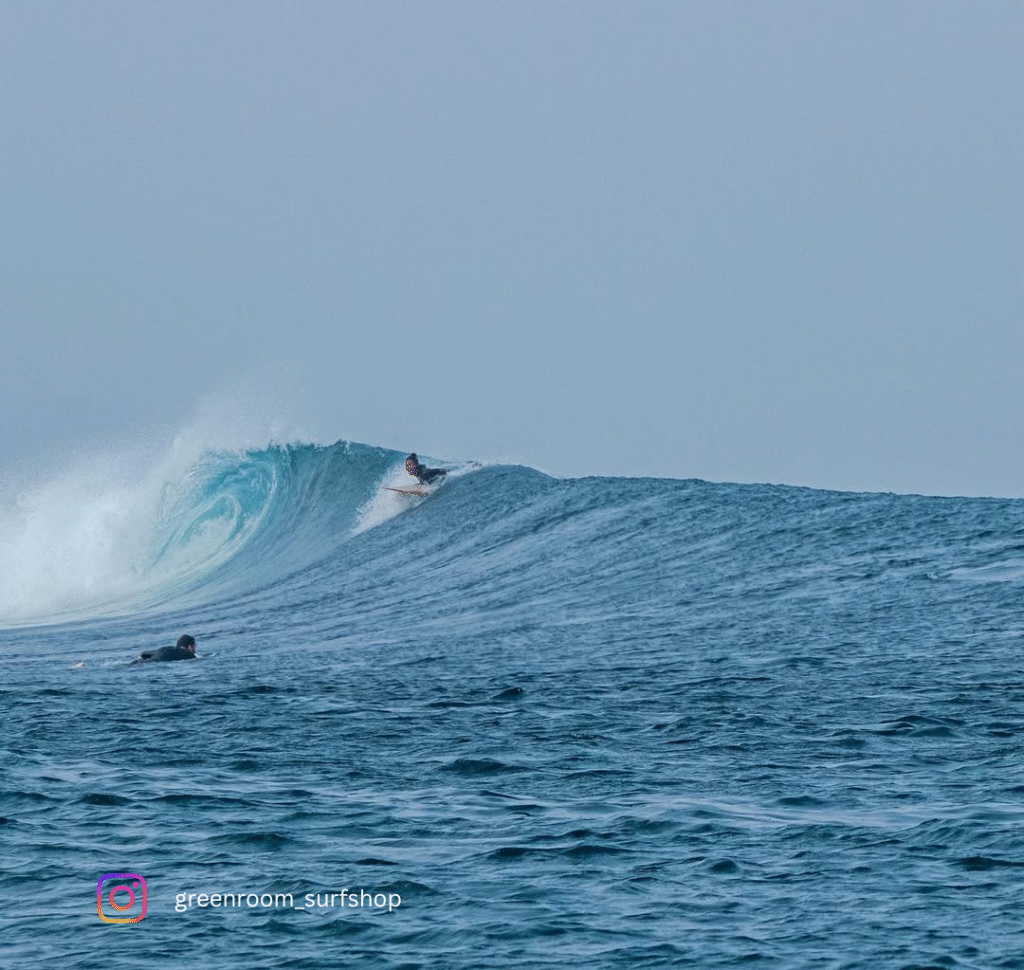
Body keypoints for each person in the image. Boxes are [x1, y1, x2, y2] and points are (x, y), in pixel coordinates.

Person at [131, 634, 197, 664]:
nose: (195, 648)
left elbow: (143, 654)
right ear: (190, 646)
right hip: (158, 662)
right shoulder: (189, 655)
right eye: (195, 646)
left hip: (150, 657)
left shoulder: (169, 648)